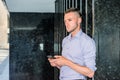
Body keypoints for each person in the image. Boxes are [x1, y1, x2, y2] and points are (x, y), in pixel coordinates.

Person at [48, 8, 97, 80]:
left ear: (79, 20)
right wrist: (58, 64)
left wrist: (66, 62)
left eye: (70, 20)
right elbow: (68, 66)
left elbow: (90, 73)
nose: (66, 24)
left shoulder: (87, 42)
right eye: (65, 21)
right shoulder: (65, 41)